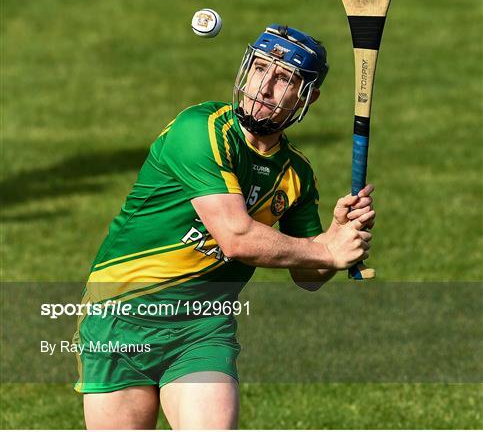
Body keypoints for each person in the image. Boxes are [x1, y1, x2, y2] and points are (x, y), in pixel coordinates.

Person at [74, 24, 375, 429]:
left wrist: (337, 236)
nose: (264, 86)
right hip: (120, 317)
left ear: (307, 97)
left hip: (202, 328)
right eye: (259, 69)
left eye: (283, 78)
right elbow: (236, 238)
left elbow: (308, 275)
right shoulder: (200, 129)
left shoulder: (296, 174)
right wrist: (326, 250)